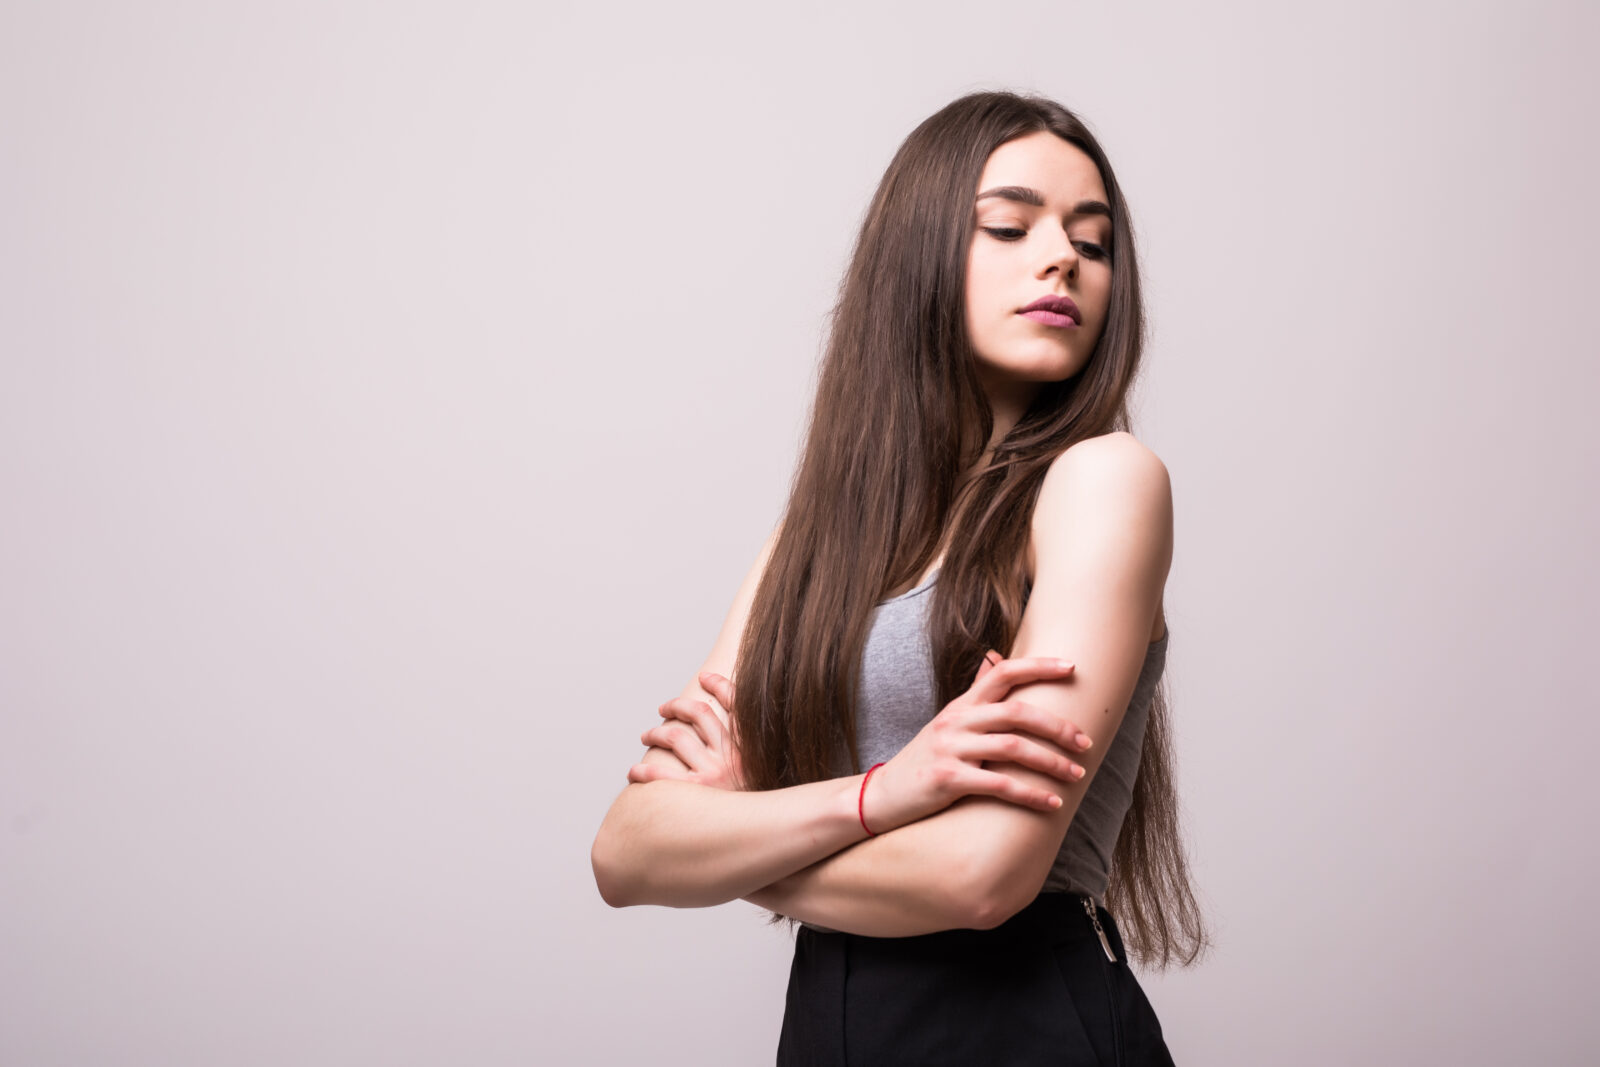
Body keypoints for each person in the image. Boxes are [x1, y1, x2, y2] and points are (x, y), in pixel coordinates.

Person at [590, 89, 1210, 1065]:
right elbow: (626, 851)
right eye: (1009, 225)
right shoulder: (818, 536)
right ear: (915, 253)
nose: (1060, 258)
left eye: (1092, 243)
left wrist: (736, 854)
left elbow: (980, 875)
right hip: (832, 1022)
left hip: (1025, 1022)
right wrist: (885, 793)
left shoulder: (1103, 480)